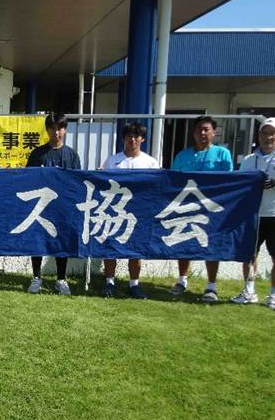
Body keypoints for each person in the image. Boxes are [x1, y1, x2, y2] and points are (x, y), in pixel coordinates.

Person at [169, 115, 233, 302]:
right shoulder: (183, 156)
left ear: (213, 133)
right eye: (199, 129)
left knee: (211, 246)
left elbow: (230, 181)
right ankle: (182, 280)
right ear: (193, 133)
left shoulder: (222, 154)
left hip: (212, 208)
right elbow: (173, 180)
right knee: (184, 244)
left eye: (206, 129)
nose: (202, 133)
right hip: (187, 207)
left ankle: (211, 286)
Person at [100, 122, 160, 299]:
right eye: (129, 136)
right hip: (115, 211)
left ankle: (134, 284)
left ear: (142, 139)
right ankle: (109, 282)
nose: (132, 140)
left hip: (139, 212)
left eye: (136, 136)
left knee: (136, 248)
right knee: (110, 246)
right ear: (124, 139)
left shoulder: (150, 162)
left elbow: (156, 187)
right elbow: (103, 183)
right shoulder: (112, 160)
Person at [25, 113, 81, 295]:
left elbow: (77, 182)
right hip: (40, 206)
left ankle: (61, 279)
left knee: (61, 241)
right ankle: (36, 277)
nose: (56, 132)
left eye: (60, 128)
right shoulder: (37, 154)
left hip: (63, 207)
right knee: (38, 241)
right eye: (52, 128)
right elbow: (28, 179)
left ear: (65, 130)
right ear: (47, 130)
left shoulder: (72, 155)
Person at [231, 117, 275, 308]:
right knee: (249, 254)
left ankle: (273, 295)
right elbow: (240, 184)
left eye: (272, 133)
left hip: (273, 214)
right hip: (252, 214)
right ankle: (249, 291)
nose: (268, 137)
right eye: (265, 133)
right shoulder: (249, 160)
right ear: (259, 135)